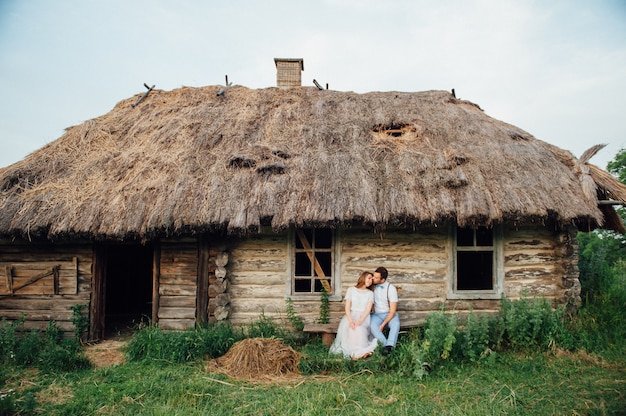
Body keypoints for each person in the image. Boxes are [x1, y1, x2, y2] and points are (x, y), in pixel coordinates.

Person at [329, 271, 378, 359]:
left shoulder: (370, 293)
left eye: (372, 279)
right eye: (369, 278)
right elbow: (347, 308)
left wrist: (360, 320)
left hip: (364, 317)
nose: (371, 281)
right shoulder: (351, 290)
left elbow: (368, 310)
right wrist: (351, 321)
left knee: (359, 328)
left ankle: (360, 351)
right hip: (351, 315)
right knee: (351, 328)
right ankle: (353, 352)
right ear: (363, 278)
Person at [370, 266, 400, 356]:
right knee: (372, 326)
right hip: (376, 315)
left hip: (389, 314)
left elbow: (393, 311)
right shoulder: (372, 286)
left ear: (382, 279)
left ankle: (390, 345)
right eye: (373, 276)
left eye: (375, 277)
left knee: (396, 324)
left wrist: (383, 324)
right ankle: (385, 346)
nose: (373, 278)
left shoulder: (391, 288)